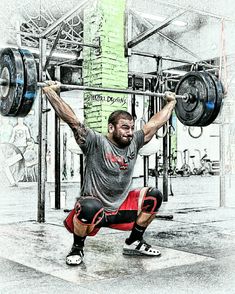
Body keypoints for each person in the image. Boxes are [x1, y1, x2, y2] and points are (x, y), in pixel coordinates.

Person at [43, 81, 176, 265]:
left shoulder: (134, 142)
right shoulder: (95, 142)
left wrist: (171, 102)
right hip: (95, 213)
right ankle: (77, 248)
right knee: (88, 206)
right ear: (111, 128)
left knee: (154, 196)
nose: (129, 132)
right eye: (124, 127)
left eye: (131, 127)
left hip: (121, 209)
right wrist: (52, 93)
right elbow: (72, 120)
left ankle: (134, 241)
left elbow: (155, 123)